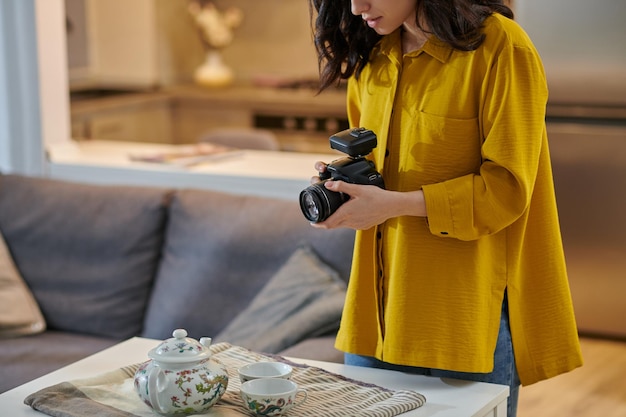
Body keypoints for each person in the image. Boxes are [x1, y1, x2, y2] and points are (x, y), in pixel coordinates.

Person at [306, 1, 584, 415]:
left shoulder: (501, 48)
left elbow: (506, 190)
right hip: (375, 319)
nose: (356, 6)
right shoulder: (374, 55)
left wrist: (392, 205)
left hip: (462, 321)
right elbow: (378, 170)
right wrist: (348, 188)